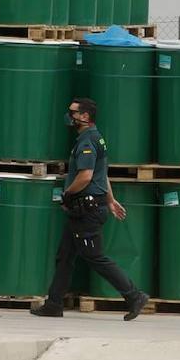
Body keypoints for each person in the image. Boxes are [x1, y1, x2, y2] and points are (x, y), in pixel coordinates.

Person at [31, 97, 150, 320]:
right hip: (85, 208)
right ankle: (54, 304)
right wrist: (110, 200)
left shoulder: (87, 141)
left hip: (87, 210)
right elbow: (101, 173)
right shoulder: (96, 138)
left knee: (94, 256)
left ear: (85, 116)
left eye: (73, 112)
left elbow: (86, 176)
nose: (70, 116)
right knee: (65, 256)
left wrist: (67, 194)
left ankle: (134, 296)